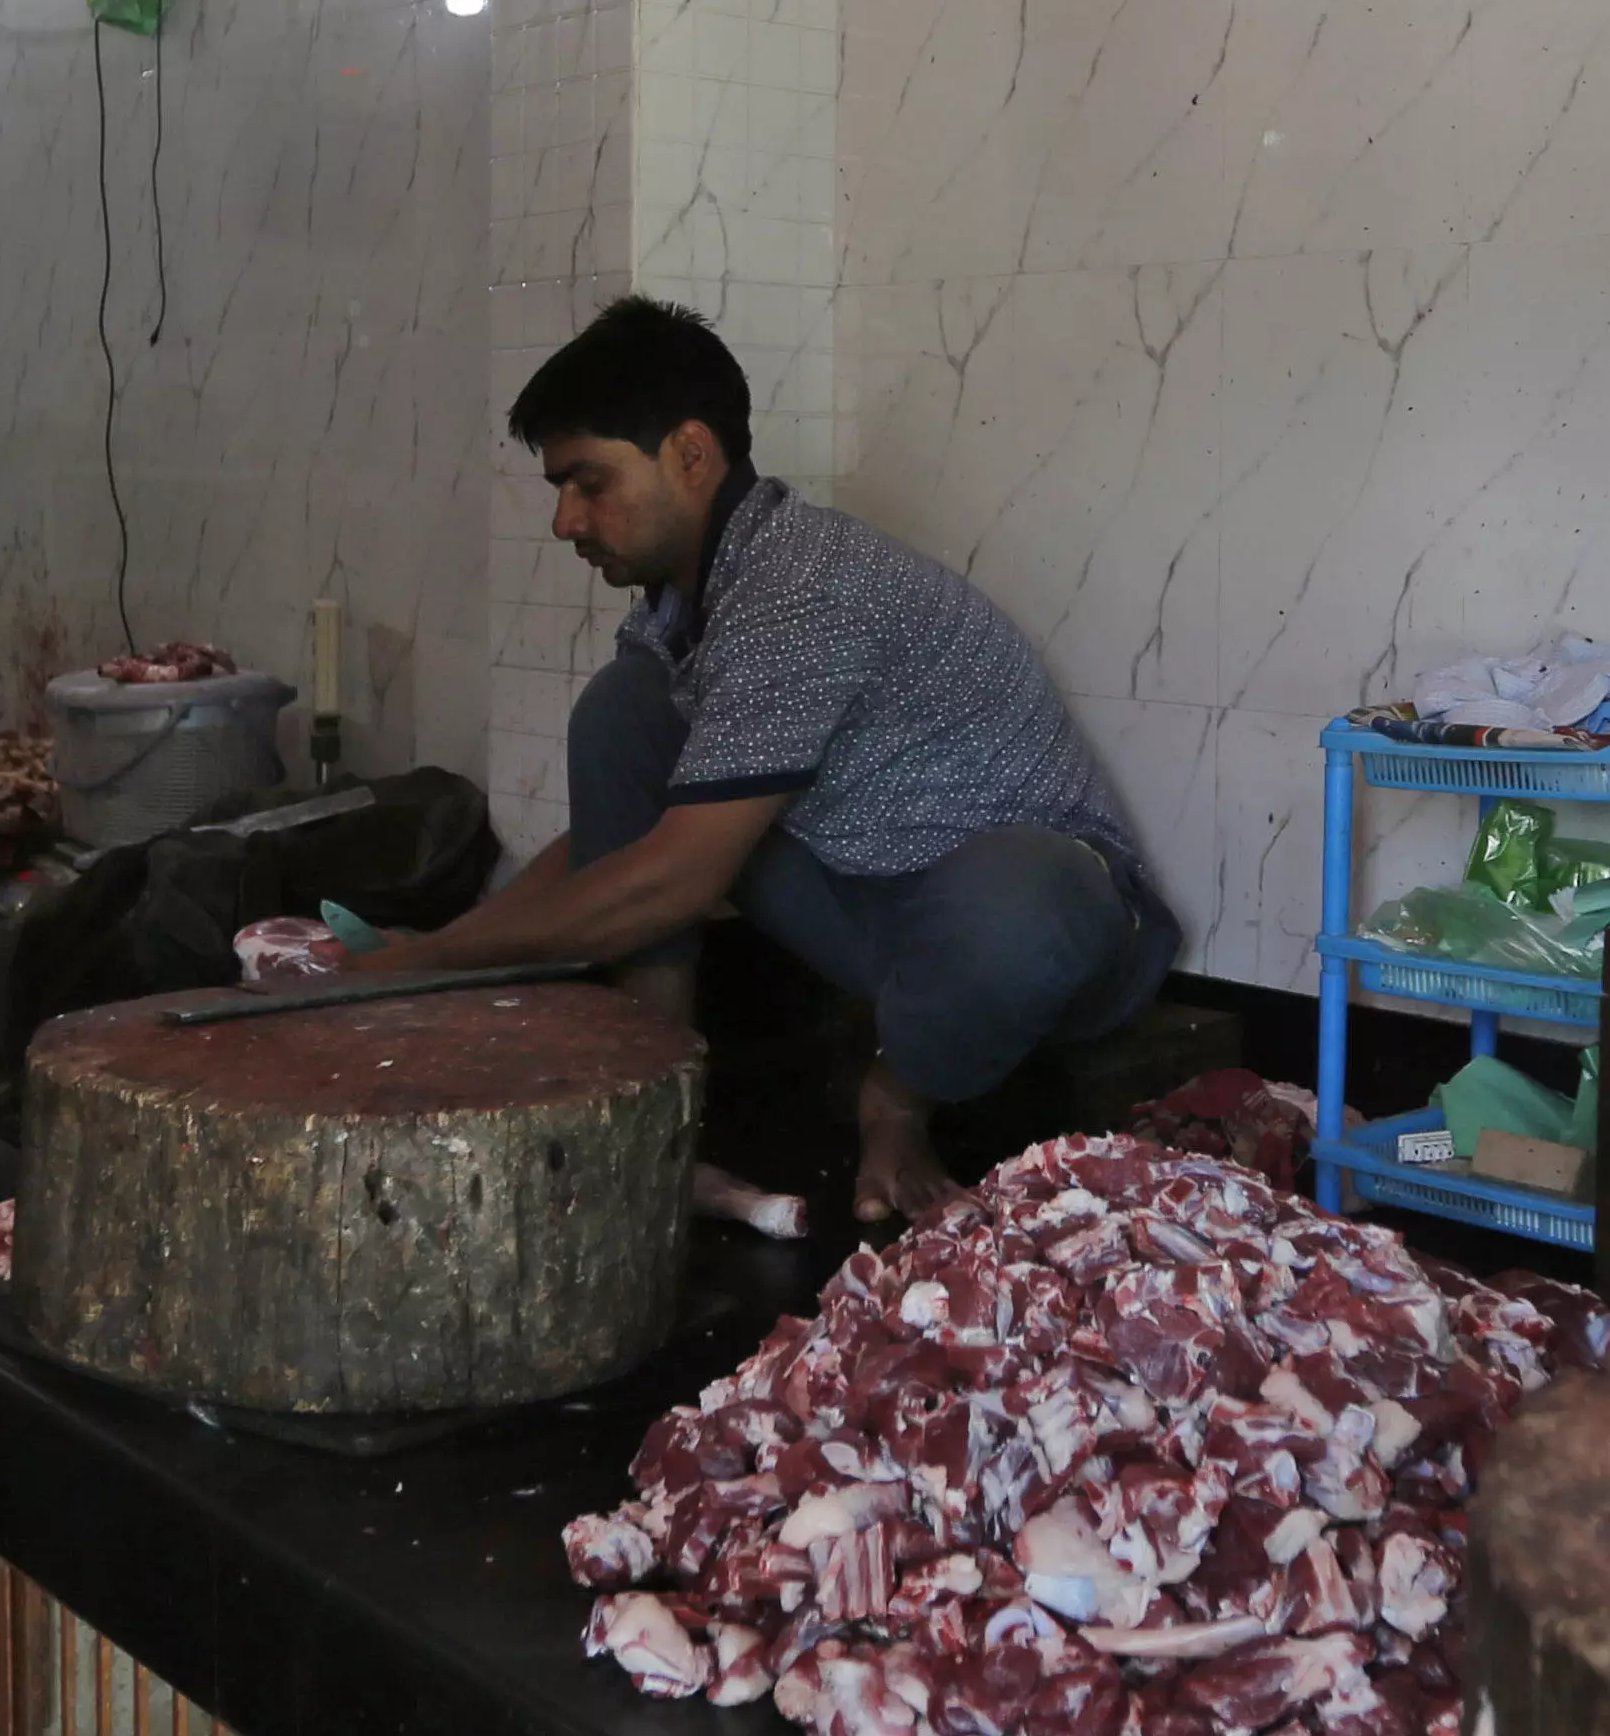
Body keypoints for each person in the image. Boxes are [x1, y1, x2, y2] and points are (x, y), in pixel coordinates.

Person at [362, 296, 1174, 1225]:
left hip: (1038, 941)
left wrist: (414, 970)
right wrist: (435, 954)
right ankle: (658, 1097)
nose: (564, 521)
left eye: (588, 483)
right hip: (867, 909)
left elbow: (669, 881)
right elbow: (614, 848)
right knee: (623, 712)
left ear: (691, 455)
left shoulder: (803, 586)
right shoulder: (685, 606)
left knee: (1023, 890)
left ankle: (896, 1099)